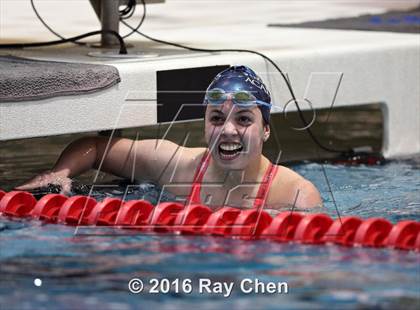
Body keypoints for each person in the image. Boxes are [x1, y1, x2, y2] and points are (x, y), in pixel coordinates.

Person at [16, 66, 322, 210]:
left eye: (243, 119)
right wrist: (60, 173)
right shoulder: (178, 166)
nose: (228, 130)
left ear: (266, 129)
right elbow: (95, 148)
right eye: (216, 118)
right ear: (205, 125)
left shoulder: (295, 195)